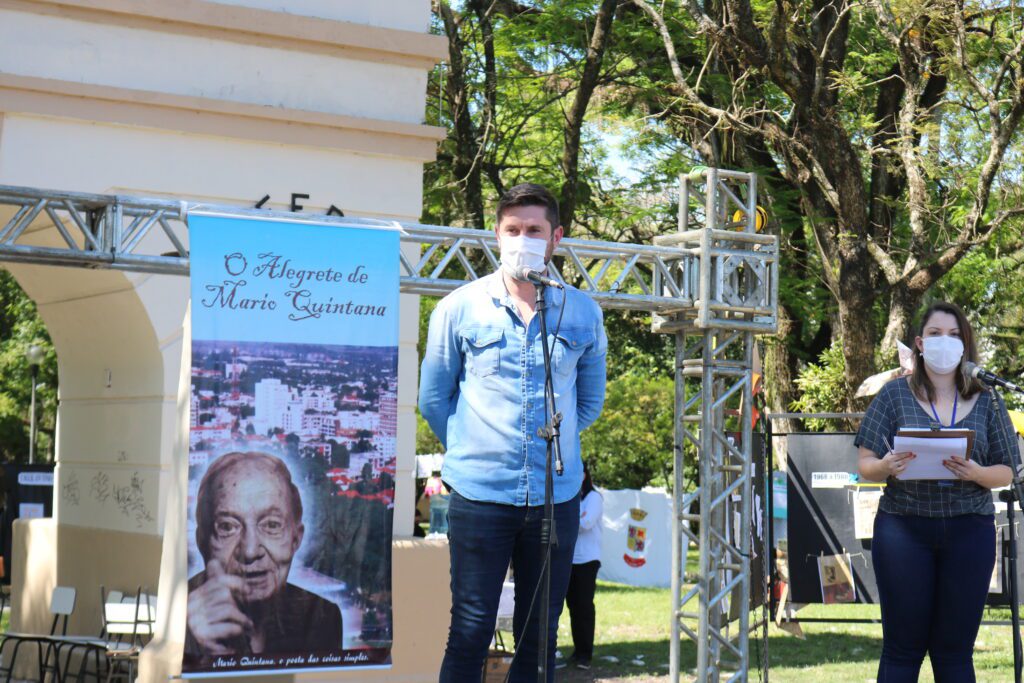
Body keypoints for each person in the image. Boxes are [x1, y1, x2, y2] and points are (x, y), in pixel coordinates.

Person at [419, 183, 607, 682]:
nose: (522, 238)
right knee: (471, 630)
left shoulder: (584, 312)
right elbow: (434, 400)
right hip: (480, 495)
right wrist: (474, 448)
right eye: (513, 230)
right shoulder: (459, 307)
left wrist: (553, 442)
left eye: (534, 230)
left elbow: (589, 403)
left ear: (555, 238)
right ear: (497, 235)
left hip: (555, 498)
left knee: (540, 636)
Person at [855, 302, 1017, 682]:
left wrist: (977, 473)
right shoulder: (894, 395)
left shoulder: (990, 399)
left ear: (966, 345)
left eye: (955, 335)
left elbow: (1007, 471)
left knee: (954, 653)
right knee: (902, 649)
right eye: (935, 334)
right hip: (902, 530)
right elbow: (865, 464)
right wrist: (885, 467)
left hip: (969, 531)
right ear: (919, 343)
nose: (945, 341)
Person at [184, 451, 342, 662]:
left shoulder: (322, 618)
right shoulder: (176, 616)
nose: (250, 551)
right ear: (203, 541)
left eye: (271, 525)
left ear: (296, 539)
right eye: (228, 527)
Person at [564, 461, 603, 670]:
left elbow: (585, 524)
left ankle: (585, 653)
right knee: (572, 606)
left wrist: (567, 519)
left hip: (587, 560)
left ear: (585, 475)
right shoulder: (572, 499)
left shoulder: (593, 498)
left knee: (584, 607)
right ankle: (577, 651)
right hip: (569, 560)